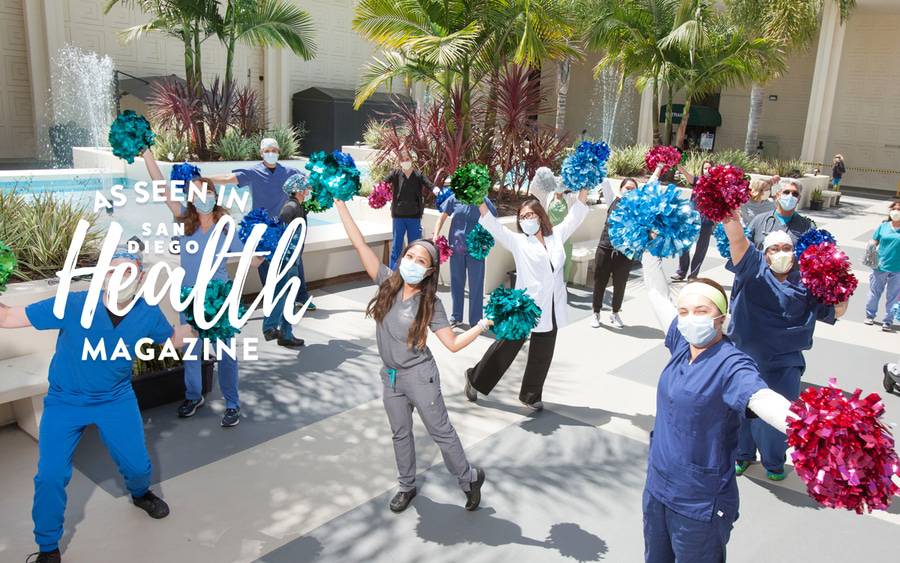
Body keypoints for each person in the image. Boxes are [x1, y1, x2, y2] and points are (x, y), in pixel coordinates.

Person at [1, 250, 193, 563]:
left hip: (115, 399)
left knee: (138, 466)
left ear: (141, 278)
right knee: (50, 475)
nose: (120, 278)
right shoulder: (73, 304)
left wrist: (207, 324)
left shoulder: (147, 311)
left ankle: (140, 493)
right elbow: (8, 317)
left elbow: (170, 339)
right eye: (112, 271)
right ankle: (48, 547)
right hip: (65, 402)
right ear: (102, 276)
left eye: (128, 272)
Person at [639, 252, 799, 563]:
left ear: (721, 318)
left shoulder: (731, 363)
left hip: (699, 503)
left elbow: (760, 398)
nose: (690, 318)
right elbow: (656, 292)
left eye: (701, 310)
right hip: (658, 488)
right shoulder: (682, 343)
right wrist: (648, 244)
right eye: (684, 311)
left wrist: (811, 426)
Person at [333, 198, 488, 513]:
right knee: (400, 433)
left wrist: (484, 324)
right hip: (390, 376)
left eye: (420, 261)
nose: (413, 263)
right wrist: (339, 202)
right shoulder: (388, 282)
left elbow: (453, 344)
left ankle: (468, 477)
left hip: (420, 376)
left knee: (440, 432)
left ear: (430, 270)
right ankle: (407, 486)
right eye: (409, 256)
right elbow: (358, 242)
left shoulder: (432, 304)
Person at [142, 149, 264, 426]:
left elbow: (251, 260)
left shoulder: (226, 227)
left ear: (214, 196)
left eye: (206, 192)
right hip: (190, 298)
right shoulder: (184, 220)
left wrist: (267, 250)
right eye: (195, 193)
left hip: (219, 299)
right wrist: (148, 155)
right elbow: (161, 186)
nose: (202, 198)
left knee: (226, 353)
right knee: (191, 350)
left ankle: (232, 404)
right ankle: (193, 396)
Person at [721, 213, 847, 480]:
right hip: (744, 361)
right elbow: (737, 239)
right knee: (741, 413)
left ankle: (774, 462)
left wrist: (840, 286)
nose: (781, 253)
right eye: (774, 249)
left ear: (795, 252)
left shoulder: (807, 282)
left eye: (787, 248)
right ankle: (743, 455)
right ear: (765, 253)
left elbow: (835, 312)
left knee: (777, 421)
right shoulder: (752, 268)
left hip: (784, 366)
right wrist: (728, 215)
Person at [464, 190, 589, 410]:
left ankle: (530, 396)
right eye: (522, 217)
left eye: (530, 215)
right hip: (525, 305)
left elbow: (575, 216)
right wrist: (478, 199)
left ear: (541, 216)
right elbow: (493, 225)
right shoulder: (517, 241)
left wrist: (585, 187)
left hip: (552, 303)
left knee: (543, 351)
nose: (526, 220)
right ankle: (475, 378)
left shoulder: (556, 236)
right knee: (507, 347)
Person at [207, 138, 315, 311]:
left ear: (279, 152)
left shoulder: (290, 171)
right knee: (263, 262)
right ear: (261, 153)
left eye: (274, 150)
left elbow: (309, 183)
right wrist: (202, 179)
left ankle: (301, 297)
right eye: (268, 150)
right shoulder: (253, 172)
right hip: (262, 227)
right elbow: (228, 178)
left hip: (284, 224)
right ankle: (272, 298)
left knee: (295, 260)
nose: (271, 153)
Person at [591, 166, 662, 328]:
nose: (629, 191)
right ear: (621, 189)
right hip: (605, 249)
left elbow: (650, 185)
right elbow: (605, 182)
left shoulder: (639, 207)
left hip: (625, 254)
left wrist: (659, 168)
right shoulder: (613, 201)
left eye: (633, 189)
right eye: (627, 188)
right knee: (599, 282)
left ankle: (615, 314)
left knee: (620, 284)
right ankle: (596, 313)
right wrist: (598, 162)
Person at [260, 173, 312, 347]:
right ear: (298, 190)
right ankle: (269, 326)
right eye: (306, 188)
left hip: (293, 258)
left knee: (289, 296)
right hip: (287, 259)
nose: (308, 191)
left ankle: (286, 334)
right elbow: (280, 233)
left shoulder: (297, 206)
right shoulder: (290, 208)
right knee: (282, 293)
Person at [432, 192, 497, 327]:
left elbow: (492, 220)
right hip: (456, 249)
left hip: (476, 251)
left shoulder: (482, 199)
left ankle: (475, 321)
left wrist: (486, 241)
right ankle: (456, 317)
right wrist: (436, 235)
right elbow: (441, 218)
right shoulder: (454, 198)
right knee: (456, 284)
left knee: (476, 286)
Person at [385, 147, 435, 268]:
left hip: (414, 217)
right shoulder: (396, 174)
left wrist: (436, 190)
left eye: (407, 159)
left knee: (415, 248)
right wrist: (377, 189)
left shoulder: (418, 175)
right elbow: (384, 182)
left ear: (411, 160)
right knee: (396, 247)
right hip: (398, 217)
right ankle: (393, 273)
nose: (405, 161)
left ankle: (413, 272)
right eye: (403, 160)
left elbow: (429, 184)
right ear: (400, 162)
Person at [672, 160, 715, 281]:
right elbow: (690, 178)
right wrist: (681, 168)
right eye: (705, 168)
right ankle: (681, 272)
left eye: (710, 168)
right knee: (684, 245)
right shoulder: (698, 181)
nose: (707, 170)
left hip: (706, 221)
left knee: (701, 249)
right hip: (691, 219)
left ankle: (693, 275)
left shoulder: (717, 185)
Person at [746, 179, 816, 249]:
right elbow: (744, 247)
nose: (790, 196)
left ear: (799, 199)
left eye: (795, 194)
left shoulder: (807, 227)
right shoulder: (759, 220)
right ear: (778, 195)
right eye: (786, 192)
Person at [864, 200, 900, 331]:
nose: (896, 211)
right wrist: (870, 247)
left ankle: (888, 321)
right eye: (894, 209)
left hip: (898, 268)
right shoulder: (883, 226)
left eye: (899, 209)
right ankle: (870, 315)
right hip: (880, 266)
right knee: (874, 292)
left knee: (893, 296)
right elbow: (874, 241)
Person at [546, 189, 575, 282]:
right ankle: (551, 284)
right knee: (551, 259)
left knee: (565, 260)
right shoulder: (548, 196)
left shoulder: (569, 198)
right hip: (551, 234)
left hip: (565, 235)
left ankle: (563, 283)